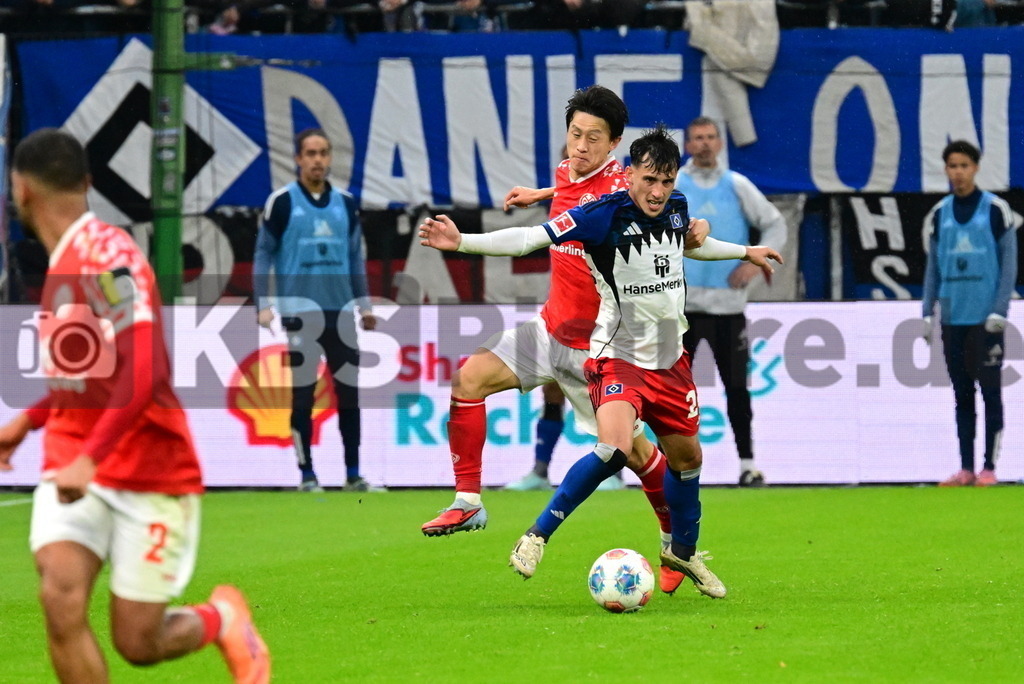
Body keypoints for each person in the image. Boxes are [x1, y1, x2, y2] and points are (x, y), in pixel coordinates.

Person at [419, 124, 783, 597]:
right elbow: (531, 237)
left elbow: (692, 244)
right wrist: (463, 242)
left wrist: (744, 251)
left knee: (685, 460)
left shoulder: (674, 207)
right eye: (648, 180)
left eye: (666, 182)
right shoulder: (598, 214)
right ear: (629, 174)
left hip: (670, 360)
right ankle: (530, 531)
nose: (657, 191)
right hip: (614, 354)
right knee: (612, 446)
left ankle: (681, 550)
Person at [0, 128, 270, 683]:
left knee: (138, 642)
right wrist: (27, 422)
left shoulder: (107, 259)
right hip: (75, 455)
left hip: (147, 468)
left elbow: (146, 370)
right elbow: (88, 377)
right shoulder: (65, 263)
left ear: (20, 190)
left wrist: (91, 458)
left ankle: (223, 620)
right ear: (88, 183)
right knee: (60, 598)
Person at [253, 128, 378, 492]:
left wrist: (364, 304)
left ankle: (353, 473)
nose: (317, 160)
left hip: (341, 314)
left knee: (349, 395)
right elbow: (263, 253)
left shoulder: (346, 204)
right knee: (303, 395)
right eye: (310, 153)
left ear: (330, 157)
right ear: (298, 159)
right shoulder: (282, 202)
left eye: (323, 153)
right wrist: (263, 304)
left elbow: (355, 256)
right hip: (299, 315)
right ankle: (306, 473)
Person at [676, 116, 788, 487]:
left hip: (729, 309)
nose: (705, 144)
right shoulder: (675, 184)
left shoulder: (736, 184)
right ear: (688, 145)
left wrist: (753, 268)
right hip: (683, 309)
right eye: (698, 138)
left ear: (720, 143)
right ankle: (668, 465)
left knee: (737, 388)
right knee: (673, 390)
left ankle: (747, 464)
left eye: (710, 137)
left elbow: (775, 224)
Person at [922, 140, 1017, 487]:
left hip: (984, 318)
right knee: (962, 395)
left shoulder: (995, 210)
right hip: (952, 317)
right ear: (945, 170)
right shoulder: (939, 215)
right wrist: (926, 312)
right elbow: (933, 266)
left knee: (990, 390)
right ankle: (965, 467)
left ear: (976, 168)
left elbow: (1009, 265)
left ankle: (989, 467)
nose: (957, 172)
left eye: (964, 165)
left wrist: (1000, 309)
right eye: (952, 166)